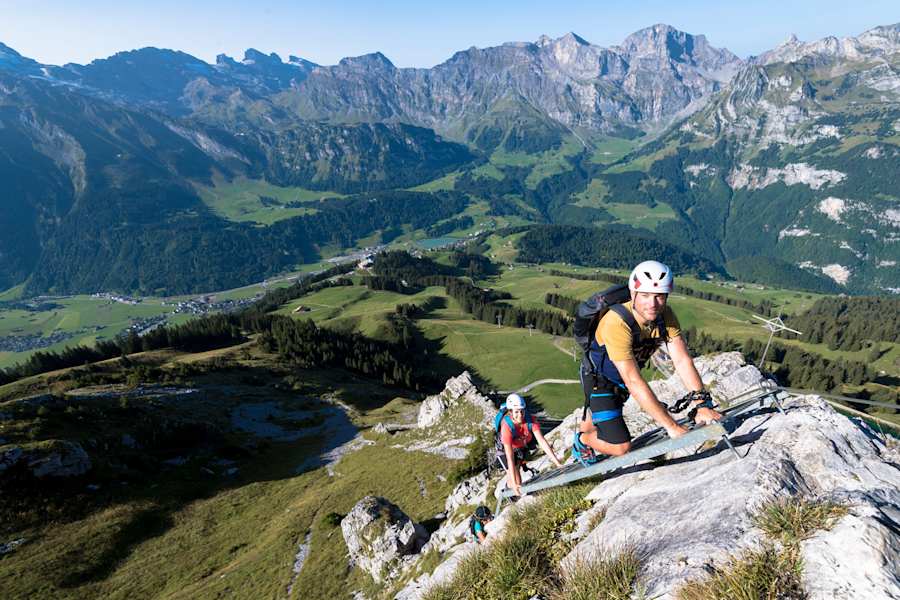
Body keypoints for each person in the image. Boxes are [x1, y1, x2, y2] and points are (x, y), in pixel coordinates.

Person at [572, 260, 722, 465]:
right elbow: (633, 380)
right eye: (645, 295)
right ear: (633, 294)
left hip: (621, 379)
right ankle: (581, 440)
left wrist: (702, 404)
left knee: (600, 418)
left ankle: (589, 428)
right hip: (600, 381)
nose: (652, 304)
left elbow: (682, 360)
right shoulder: (616, 322)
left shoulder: (665, 316)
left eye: (659, 296)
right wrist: (672, 426)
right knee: (621, 447)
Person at [497, 393, 563, 497]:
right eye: (516, 412)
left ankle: (511, 491)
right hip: (505, 451)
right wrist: (514, 484)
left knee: (517, 473)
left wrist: (557, 462)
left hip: (520, 448)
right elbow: (509, 457)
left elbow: (542, 441)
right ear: (510, 412)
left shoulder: (530, 420)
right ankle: (507, 493)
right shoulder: (506, 426)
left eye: (522, 411)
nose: (520, 415)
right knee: (516, 480)